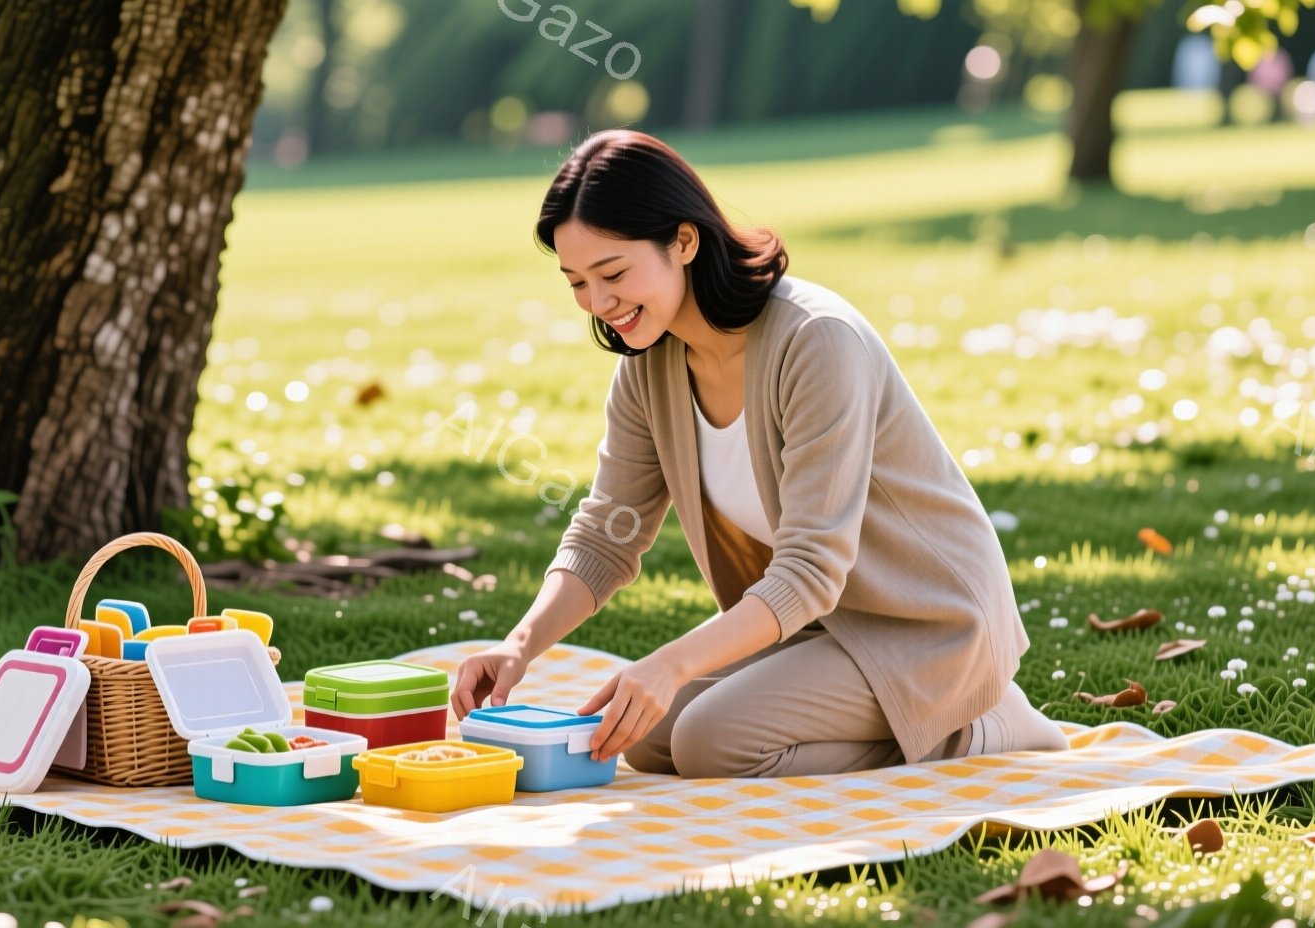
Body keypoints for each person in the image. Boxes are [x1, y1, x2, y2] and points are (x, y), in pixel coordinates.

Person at [449, 129, 1067, 779]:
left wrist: (675, 661)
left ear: (683, 241)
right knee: (642, 737)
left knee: (711, 742)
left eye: (613, 273)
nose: (598, 304)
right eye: (576, 281)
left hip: (926, 627)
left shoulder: (815, 341)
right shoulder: (648, 367)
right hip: (815, 629)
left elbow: (811, 569)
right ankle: (925, 726)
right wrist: (518, 647)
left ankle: (978, 725)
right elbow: (609, 531)